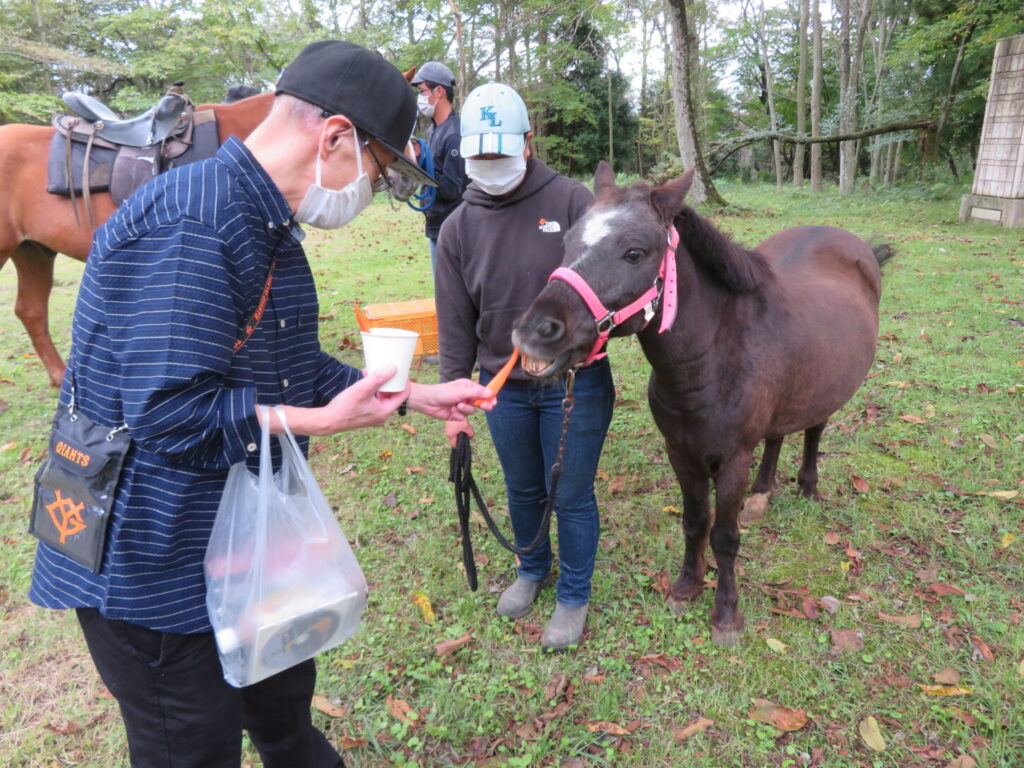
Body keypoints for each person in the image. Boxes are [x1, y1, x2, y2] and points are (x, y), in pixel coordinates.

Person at [28, 40, 493, 768]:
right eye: (375, 170)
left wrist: (412, 394)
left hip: (243, 550)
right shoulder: (193, 220)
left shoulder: (268, 223)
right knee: (192, 748)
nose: (369, 192)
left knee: (284, 726)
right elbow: (170, 412)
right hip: (154, 564)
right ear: (335, 136)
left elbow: (289, 366)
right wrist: (322, 421)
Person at [434, 83, 615, 651]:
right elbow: (455, 322)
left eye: (500, 154)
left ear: (528, 143)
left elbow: (609, 283)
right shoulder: (457, 228)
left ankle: (574, 594)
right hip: (503, 388)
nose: (491, 167)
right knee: (522, 489)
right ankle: (532, 569)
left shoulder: (570, 202)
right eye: (479, 158)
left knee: (572, 495)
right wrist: (453, 402)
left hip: (573, 385)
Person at [410, 61, 469, 274]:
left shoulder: (454, 134)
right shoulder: (435, 130)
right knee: (443, 292)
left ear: (439, 92)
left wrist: (422, 165)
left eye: (422, 91)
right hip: (436, 226)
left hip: (452, 231)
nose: (420, 97)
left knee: (450, 295)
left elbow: (453, 189)